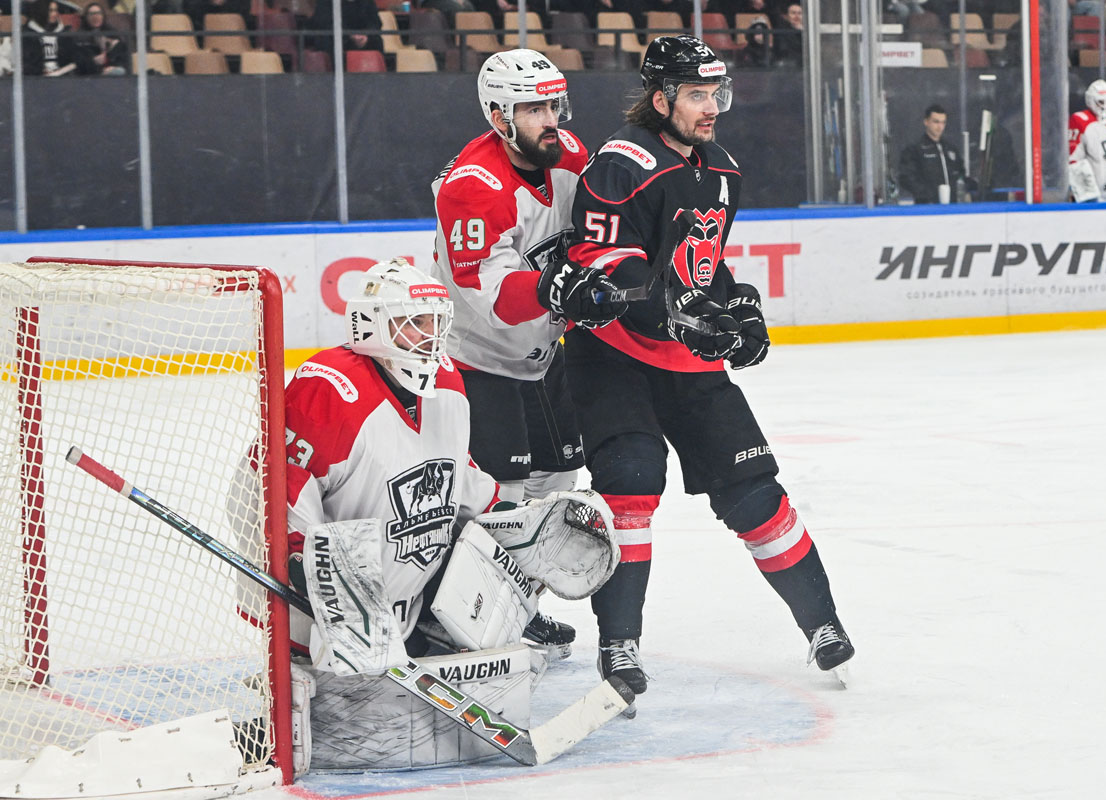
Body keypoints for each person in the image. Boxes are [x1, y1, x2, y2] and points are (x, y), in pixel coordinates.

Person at [564, 35, 855, 705]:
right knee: (632, 485)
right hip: (612, 354)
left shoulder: (721, 168)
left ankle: (823, 624)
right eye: (697, 94)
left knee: (754, 492)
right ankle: (619, 642)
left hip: (683, 358)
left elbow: (700, 258)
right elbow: (603, 265)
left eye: (717, 92)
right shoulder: (621, 163)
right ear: (661, 97)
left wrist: (736, 305)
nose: (712, 106)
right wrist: (678, 315)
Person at [280, 258, 618, 772]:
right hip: (322, 620)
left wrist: (517, 520)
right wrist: (308, 566)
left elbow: (459, 474)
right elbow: (279, 487)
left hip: (401, 612)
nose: (430, 336)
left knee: (488, 561)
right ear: (370, 324)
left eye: (436, 322)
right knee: (338, 737)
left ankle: (421, 636)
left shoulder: (446, 382)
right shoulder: (331, 388)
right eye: (414, 322)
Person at [430, 50, 626, 659]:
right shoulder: (472, 187)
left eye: (554, 105)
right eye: (533, 109)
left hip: (544, 354)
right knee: (504, 494)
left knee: (558, 480)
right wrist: (555, 287)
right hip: (479, 360)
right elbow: (490, 297)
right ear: (498, 116)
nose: (551, 120)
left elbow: (592, 234)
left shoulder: (567, 154)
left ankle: (521, 608)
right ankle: (462, 618)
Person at [897, 104, 969, 204]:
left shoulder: (950, 149)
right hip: (927, 207)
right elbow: (905, 177)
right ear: (926, 122)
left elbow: (961, 174)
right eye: (936, 122)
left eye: (943, 122)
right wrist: (925, 194)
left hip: (952, 206)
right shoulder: (915, 149)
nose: (940, 127)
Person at [304, 0, 383, 58]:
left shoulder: (366, 2)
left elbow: (375, 22)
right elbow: (325, 22)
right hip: (336, 37)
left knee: (376, 40)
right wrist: (349, 35)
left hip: (362, 38)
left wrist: (365, 35)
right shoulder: (326, 2)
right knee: (326, 40)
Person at [22, 0, 79, 77]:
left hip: (63, 76)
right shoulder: (27, 34)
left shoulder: (64, 33)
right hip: (37, 77)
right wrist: (39, 70)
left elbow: (70, 57)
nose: (54, 14)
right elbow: (26, 62)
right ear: (41, 11)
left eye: (56, 10)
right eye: (51, 11)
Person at [74, 3, 131, 76]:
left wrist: (110, 50)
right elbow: (79, 60)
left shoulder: (111, 32)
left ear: (103, 16)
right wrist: (94, 60)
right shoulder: (80, 36)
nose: (96, 16)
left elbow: (123, 54)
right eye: (92, 14)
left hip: (113, 71)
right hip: (92, 73)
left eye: (98, 13)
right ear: (86, 17)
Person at [773, 1, 803, 67]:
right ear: (787, 16)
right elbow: (783, 51)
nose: (797, 16)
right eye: (793, 13)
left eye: (799, 13)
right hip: (789, 66)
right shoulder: (781, 31)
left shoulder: (809, 31)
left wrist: (802, 32)